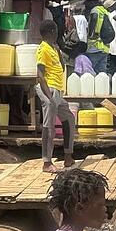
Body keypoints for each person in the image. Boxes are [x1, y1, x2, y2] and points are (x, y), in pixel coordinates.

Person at [37, 20, 75, 174]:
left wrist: (59, 52)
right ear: (52, 31)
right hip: (49, 90)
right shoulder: (43, 49)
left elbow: (60, 67)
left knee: (69, 119)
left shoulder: (53, 48)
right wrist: (50, 98)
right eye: (57, 30)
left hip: (57, 90)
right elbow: (39, 75)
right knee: (49, 126)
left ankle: (68, 156)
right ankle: (47, 163)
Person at [83, 0, 112, 73]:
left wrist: (90, 34)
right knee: (102, 73)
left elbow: (94, 21)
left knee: (90, 72)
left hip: (94, 47)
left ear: (92, 2)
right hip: (104, 47)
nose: (86, 6)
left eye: (86, 3)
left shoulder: (94, 10)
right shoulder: (104, 11)